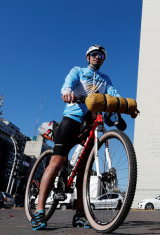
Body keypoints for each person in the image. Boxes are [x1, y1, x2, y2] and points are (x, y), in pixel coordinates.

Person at [30, 45, 138, 230]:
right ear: (88, 57)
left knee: (84, 171)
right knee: (57, 161)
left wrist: (127, 107)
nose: (98, 57)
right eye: (94, 54)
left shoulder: (105, 79)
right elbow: (69, 83)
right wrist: (67, 92)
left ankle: (80, 214)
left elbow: (114, 95)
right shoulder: (78, 71)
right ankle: (39, 211)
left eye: (101, 55)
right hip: (72, 118)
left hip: (92, 123)